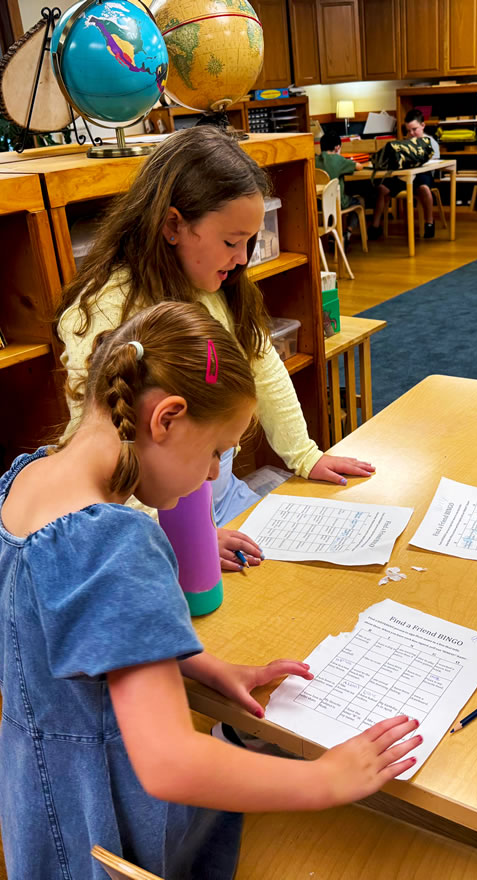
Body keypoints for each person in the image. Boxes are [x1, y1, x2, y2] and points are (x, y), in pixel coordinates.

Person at [0, 301, 421, 880]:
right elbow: (170, 763)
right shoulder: (115, 541)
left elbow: (62, 633)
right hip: (103, 816)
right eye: (217, 452)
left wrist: (195, 662)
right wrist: (326, 778)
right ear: (166, 419)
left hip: (37, 789)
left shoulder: (26, 478)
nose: (211, 475)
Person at [56, 127, 374, 573]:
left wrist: (305, 455)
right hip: (147, 528)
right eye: (231, 242)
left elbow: (264, 366)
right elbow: (102, 457)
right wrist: (181, 535)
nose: (243, 258)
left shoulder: (215, 285)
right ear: (172, 225)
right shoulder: (108, 313)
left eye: (248, 240)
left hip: (213, 508)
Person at [369, 109, 439, 241]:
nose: (411, 133)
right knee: (382, 189)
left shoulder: (431, 143)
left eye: (414, 129)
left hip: (423, 175)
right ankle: (375, 226)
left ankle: (429, 222)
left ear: (423, 125)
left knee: (424, 188)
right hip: (403, 176)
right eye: (408, 130)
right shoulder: (404, 143)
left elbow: (432, 165)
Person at [315, 131, 364, 248]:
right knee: (360, 201)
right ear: (337, 147)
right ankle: (348, 232)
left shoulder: (314, 161)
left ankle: (333, 236)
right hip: (338, 203)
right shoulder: (338, 159)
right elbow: (359, 166)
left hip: (318, 204)